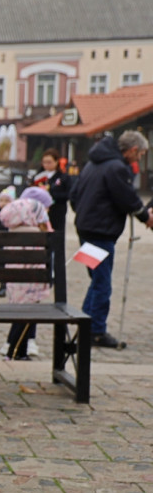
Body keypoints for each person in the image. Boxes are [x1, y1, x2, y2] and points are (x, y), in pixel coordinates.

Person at [69, 130, 153, 349]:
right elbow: (127, 198)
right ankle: (95, 331)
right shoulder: (116, 167)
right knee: (102, 284)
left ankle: (86, 325)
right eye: (141, 154)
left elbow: (74, 194)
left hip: (86, 228)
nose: (140, 158)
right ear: (133, 150)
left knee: (96, 280)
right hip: (100, 231)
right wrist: (146, 217)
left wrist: (83, 214)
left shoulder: (93, 163)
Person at [0, 187, 52, 360]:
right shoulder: (36, 237)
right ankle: (14, 351)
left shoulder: (12, 233)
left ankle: (16, 350)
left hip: (15, 286)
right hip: (30, 287)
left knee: (20, 315)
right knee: (26, 314)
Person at [31, 149, 71, 232]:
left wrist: (50, 193)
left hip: (56, 211)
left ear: (56, 162)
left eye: (49, 162)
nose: (46, 165)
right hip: (39, 211)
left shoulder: (63, 177)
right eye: (44, 162)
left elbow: (68, 194)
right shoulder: (38, 176)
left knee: (56, 235)